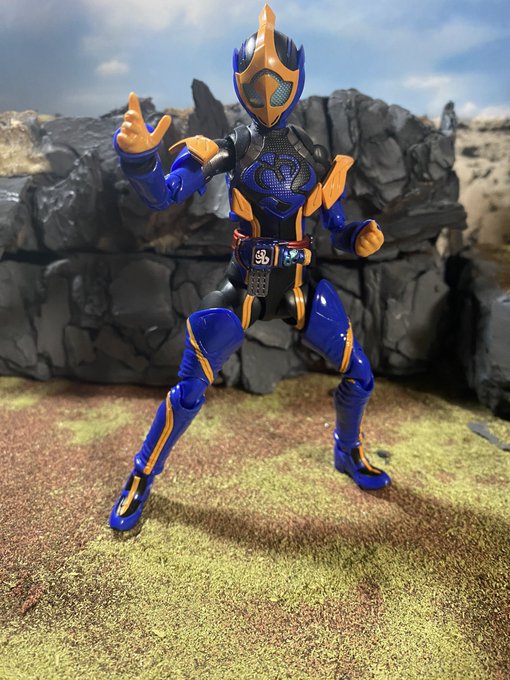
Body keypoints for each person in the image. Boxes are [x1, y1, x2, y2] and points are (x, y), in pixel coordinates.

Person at [109, 4, 390, 531]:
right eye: (256, 85)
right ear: (240, 85)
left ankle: (347, 451)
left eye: (277, 85)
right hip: (246, 285)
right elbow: (162, 196)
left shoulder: (315, 156)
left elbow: (336, 226)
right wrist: (140, 160)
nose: (267, 96)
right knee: (189, 388)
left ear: (295, 82)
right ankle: (141, 475)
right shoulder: (230, 148)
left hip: (301, 285)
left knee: (360, 373)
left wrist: (359, 236)